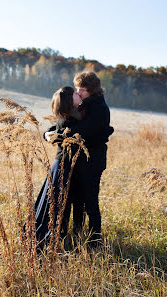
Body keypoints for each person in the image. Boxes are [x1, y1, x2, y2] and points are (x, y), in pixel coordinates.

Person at [59, 71, 114, 247]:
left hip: (92, 164)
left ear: (92, 90)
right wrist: (51, 131)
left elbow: (82, 131)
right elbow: (69, 123)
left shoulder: (98, 107)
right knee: (76, 200)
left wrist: (59, 135)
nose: (78, 92)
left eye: (82, 89)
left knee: (90, 202)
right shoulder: (84, 104)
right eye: (77, 88)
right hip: (80, 163)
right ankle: (77, 235)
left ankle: (94, 241)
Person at [34, 86, 84, 246]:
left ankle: (58, 237)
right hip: (63, 164)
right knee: (56, 203)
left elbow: (52, 132)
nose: (79, 93)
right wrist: (49, 135)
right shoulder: (69, 119)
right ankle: (49, 238)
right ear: (70, 100)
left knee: (59, 202)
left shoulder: (72, 115)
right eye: (75, 93)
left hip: (64, 164)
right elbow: (57, 132)